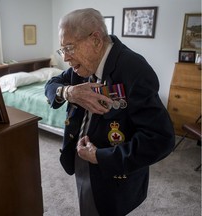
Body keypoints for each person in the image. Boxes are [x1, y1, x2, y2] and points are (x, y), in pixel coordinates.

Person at [45, 8, 175, 216]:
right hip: (80, 158)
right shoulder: (81, 67)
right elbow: (52, 83)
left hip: (112, 171)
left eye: (69, 47)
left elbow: (161, 139)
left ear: (95, 39)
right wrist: (69, 92)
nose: (66, 58)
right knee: (87, 205)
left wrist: (100, 157)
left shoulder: (134, 68)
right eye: (63, 50)